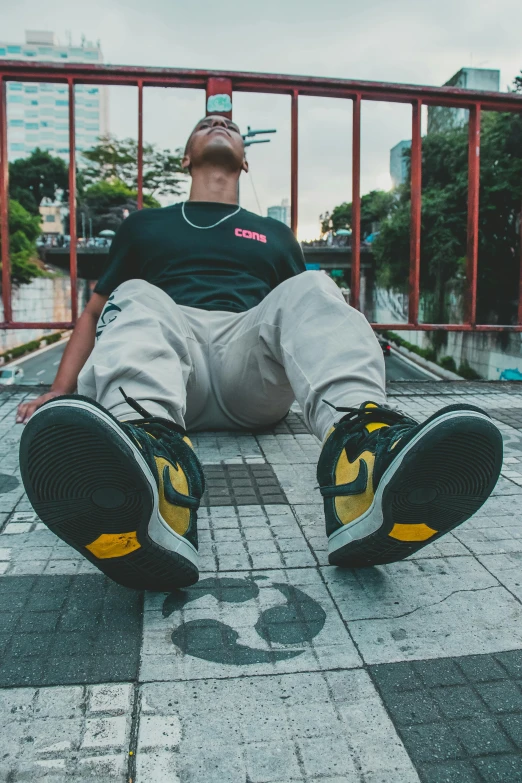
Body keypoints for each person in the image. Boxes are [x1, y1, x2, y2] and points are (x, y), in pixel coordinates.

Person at [17, 115, 503, 592]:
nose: (219, 122)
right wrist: (57, 391)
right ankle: (154, 473)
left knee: (313, 285)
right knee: (136, 293)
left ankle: (366, 460)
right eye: (206, 122)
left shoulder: (274, 235)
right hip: (167, 360)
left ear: (245, 163)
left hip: (245, 362)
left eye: (229, 125)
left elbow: (307, 318)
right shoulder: (144, 226)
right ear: (186, 157)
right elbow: (94, 312)